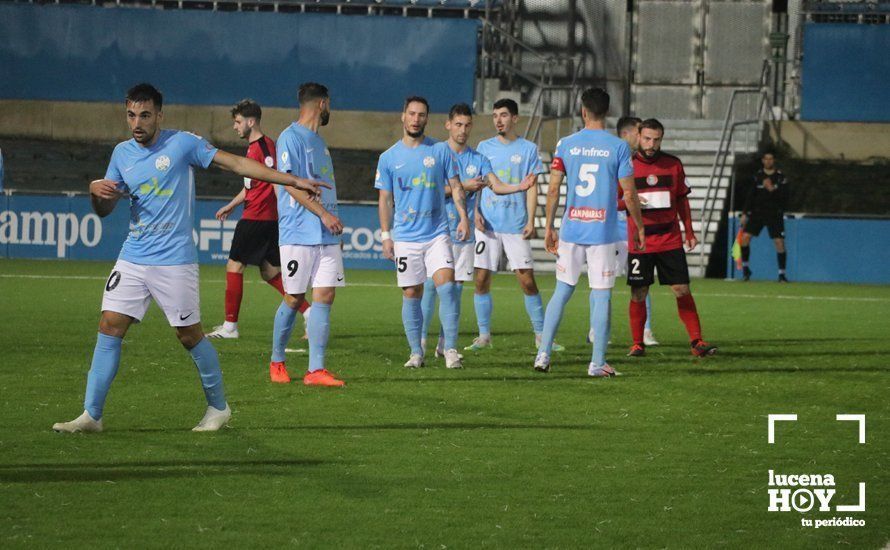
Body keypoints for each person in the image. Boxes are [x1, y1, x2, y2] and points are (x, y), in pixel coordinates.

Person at [52, 83, 328, 433]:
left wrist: (290, 181)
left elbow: (238, 163)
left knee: (189, 335)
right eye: (131, 114)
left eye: (145, 115)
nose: (137, 122)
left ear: (160, 115)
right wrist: (96, 193)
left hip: (174, 261)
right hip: (133, 257)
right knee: (109, 325)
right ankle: (91, 415)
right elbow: (105, 209)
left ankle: (219, 408)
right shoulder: (122, 154)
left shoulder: (183, 144)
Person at [533, 88, 645, 376]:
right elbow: (630, 195)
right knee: (602, 294)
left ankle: (543, 355)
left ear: (583, 111)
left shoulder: (566, 144)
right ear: (607, 112)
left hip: (572, 230)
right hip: (603, 233)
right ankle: (596, 362)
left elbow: (555, 188)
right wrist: (639, 227)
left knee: (562, 291)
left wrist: (549, 227)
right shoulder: (618, 147)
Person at [419, 103, 536, 357]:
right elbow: (428, 190)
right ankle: (420, 343)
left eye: (467, 125)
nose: (462, 130)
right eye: (458, 124)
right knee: (431, 285)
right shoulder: (434, 154)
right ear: (448, 125)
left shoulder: (478, 159)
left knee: (456, 289)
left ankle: (444, 343)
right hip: (437, 230)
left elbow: (496, 185)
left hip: (464, 234)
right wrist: (464, 186)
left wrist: (519, 187)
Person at [376, 96, 470, 369]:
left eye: (421, 115)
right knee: (412, 293)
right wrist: (385, 235)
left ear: (427, 119)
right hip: (406, 237)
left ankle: (450, 350)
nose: (416, 119)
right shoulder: (389, 157)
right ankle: (416, 352)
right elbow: (384, 199)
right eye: (412, 114)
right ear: (403, 116)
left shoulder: (440, 150)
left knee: (447, 286)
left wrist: (463, 218)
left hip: (437, 233)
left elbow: (456, 185)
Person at [206, 99, 310, 340]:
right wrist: (231, 205)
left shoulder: (264, 148)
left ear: (250, 122)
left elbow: (275, 180)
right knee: (271, 272)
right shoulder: (254, 148)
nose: (235, 127)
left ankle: (230, 326)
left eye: (238, 122)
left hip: (258, 218)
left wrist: (283, 216)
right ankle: (309, 312)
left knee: (234, 266)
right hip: (260, 216)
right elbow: (252, 185)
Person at [466, 98, 562, 352]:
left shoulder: (529, 149)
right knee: (481, 279)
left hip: (516, 224)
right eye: (495, 115)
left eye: (504, 115)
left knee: (527, 280)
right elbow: (479, 182)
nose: (498, 120)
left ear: (515, 118)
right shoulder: (483, 147)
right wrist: (475, 210)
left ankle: (541, 335)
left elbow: (532, 188)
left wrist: (531, 220)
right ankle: (484, 335)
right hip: (487, 223)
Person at [268, 83, 346, 386]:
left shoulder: (319, 142)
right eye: (330, 105)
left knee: (325, 296)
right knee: (294, 297)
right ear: (323, 104)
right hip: (299, 232)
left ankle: (316, 370)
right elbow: (288, 184)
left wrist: (329, 216)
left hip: (326, 234)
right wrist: (324, 214)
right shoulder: (290, 137)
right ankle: (277, 361)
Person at [624, 119, 717, 358]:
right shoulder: (627, 165)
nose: (651, 144)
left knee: (681, 289)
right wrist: (632, 201)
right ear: (638, 135)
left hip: (669, 239)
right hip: (640, 241)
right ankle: (637, 344)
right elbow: (616, 199)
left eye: (656, 139)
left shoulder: (673, 164)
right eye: (647, 138)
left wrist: (689, 230)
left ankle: (697, 341)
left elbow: (681, 200)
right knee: (639, 292)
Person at [615, 116, 659, 346]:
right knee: (603, 283)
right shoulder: (614, 158)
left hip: (634, 232)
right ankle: (596, 330)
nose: (643, 137)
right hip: (612, 233)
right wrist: (629, 203)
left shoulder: (639, 162)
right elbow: (611, 200)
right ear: (627, 135)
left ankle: (646, 330)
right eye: (639, 132)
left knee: (642, 282)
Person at [740, 150, 789, 282]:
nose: (768, 161)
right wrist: (745, 213)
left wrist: (772, 189)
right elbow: (750, 196)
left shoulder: (780, 177)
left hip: (774, 213)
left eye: (771, 159)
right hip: (758, 213)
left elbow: (785, 197)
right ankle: (746, 270)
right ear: (762, 161)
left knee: (779, 242)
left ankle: (782, 274)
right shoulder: (757, 176)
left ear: (774, 161)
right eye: (766, 159)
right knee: (744, 239)